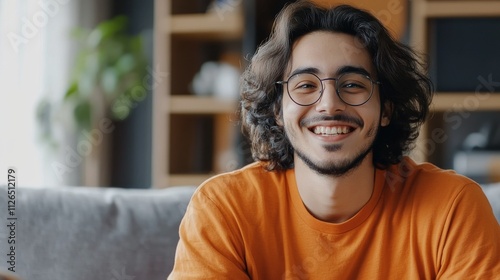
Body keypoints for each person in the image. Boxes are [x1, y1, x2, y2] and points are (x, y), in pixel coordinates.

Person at [168, 1, 500, 279]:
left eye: (353, 84)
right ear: (278, 112)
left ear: (386, 109)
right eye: (305, 85)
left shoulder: (453, 207)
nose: (329, 104)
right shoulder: (224, 209)